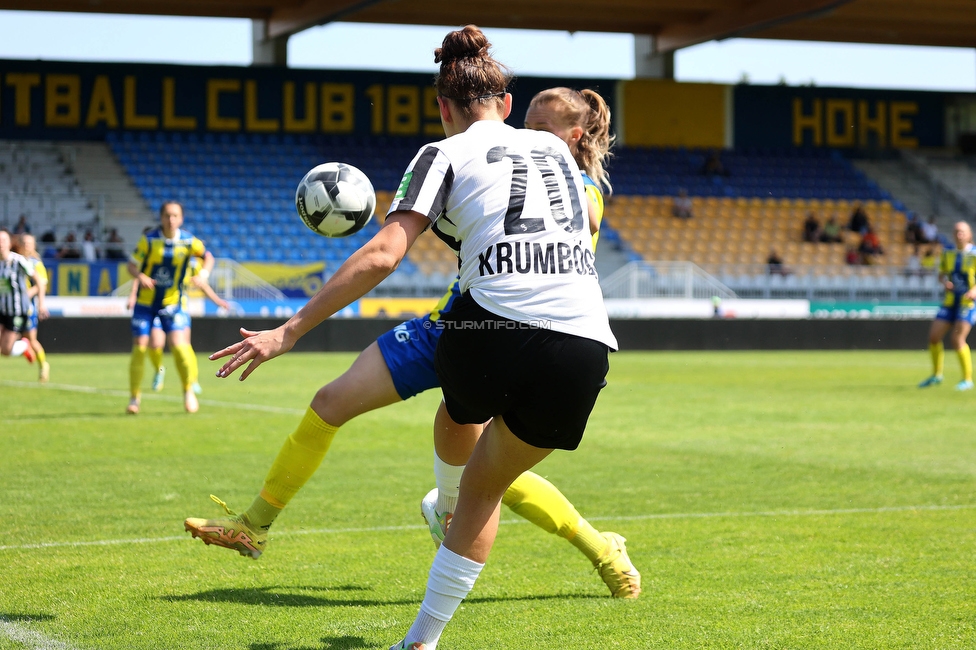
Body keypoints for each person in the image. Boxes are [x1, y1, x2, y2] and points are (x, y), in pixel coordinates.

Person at [202, 26, 620, 650]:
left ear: (443, 107)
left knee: (467, 457)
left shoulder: (440, 154)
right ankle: (418, 618)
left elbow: (384, 254)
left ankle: (448, 559)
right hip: (586, 342)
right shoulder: (558, 155)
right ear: (507, 105)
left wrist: (289, 330)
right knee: (481, 479)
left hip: (484, 327)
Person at [126, 201, 214, 414]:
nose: (171, 219)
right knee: (140, 347)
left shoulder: (188, 241)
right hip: (146, 304)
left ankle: (188, 391)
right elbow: (131, 265)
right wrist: (141, 276)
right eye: (167, 215)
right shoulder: (149, 241)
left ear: (181, 219)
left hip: (172, 303)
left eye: (175, 215)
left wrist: (203, 275)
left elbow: (208, 257)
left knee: (180, 347)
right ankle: (134, 398)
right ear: (161, 218)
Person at [129, 254, 230, 395]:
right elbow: (138, 278)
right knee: (155, 344)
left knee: (184, 345)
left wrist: (218, 301)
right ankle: (159, 370)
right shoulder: (153, 258)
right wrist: (133, 296)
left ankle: (192, 380)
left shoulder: (190, 263)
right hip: (152, 306)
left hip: (178, 308)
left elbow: (202, 284)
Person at [918, 221, 976, 391]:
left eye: (962, 232)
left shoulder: (974, 254)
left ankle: (967, 379)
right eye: (956, 231)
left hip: (968, 303)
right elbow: (941, 275)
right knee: (934, 337)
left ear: (969, 235)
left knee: (957, 339)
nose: (959, 235)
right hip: (951, 301)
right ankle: (936, 375)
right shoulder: (948, 254)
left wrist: (974, 290)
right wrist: (945, 282)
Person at [0, 229, 42, 363]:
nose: (1, 243)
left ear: (9, 243)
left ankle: (24, 345)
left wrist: (42, 304)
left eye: (4, 240)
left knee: (6, 351)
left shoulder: (18, 261)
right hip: (1, 310)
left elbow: (39, 281)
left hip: (17, 311)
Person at [13, 233, 50, 381]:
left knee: (31, 338)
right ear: (20, 245)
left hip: (27, 307)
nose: (27, 246)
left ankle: (43, 365)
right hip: (11, 306)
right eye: (25, 243)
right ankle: (24, 348)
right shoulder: (13, 260)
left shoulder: (36, 264)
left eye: (30, 243)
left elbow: (42, 285)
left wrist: (36, 299)